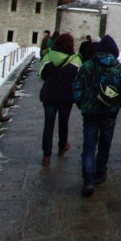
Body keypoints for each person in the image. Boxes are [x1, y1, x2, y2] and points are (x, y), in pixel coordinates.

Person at [73, 34, 121, 197]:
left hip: (90, 112)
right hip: (109, 113)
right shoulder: (119, 69)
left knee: (89, 145)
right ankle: (100, 171)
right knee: (105, 143)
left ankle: (88, 180)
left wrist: (82, 104)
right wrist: (116, 105)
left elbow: (77, 88)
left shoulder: (87, 66)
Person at [39, 33, 82, 166]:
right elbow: (78, 78)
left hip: (49, 95)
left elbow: (41, 74)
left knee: (48, 125)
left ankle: (46, 155)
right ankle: (62, 146)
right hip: (66, 96)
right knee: (64, 122)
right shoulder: (75, 60)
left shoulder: (48, 56)